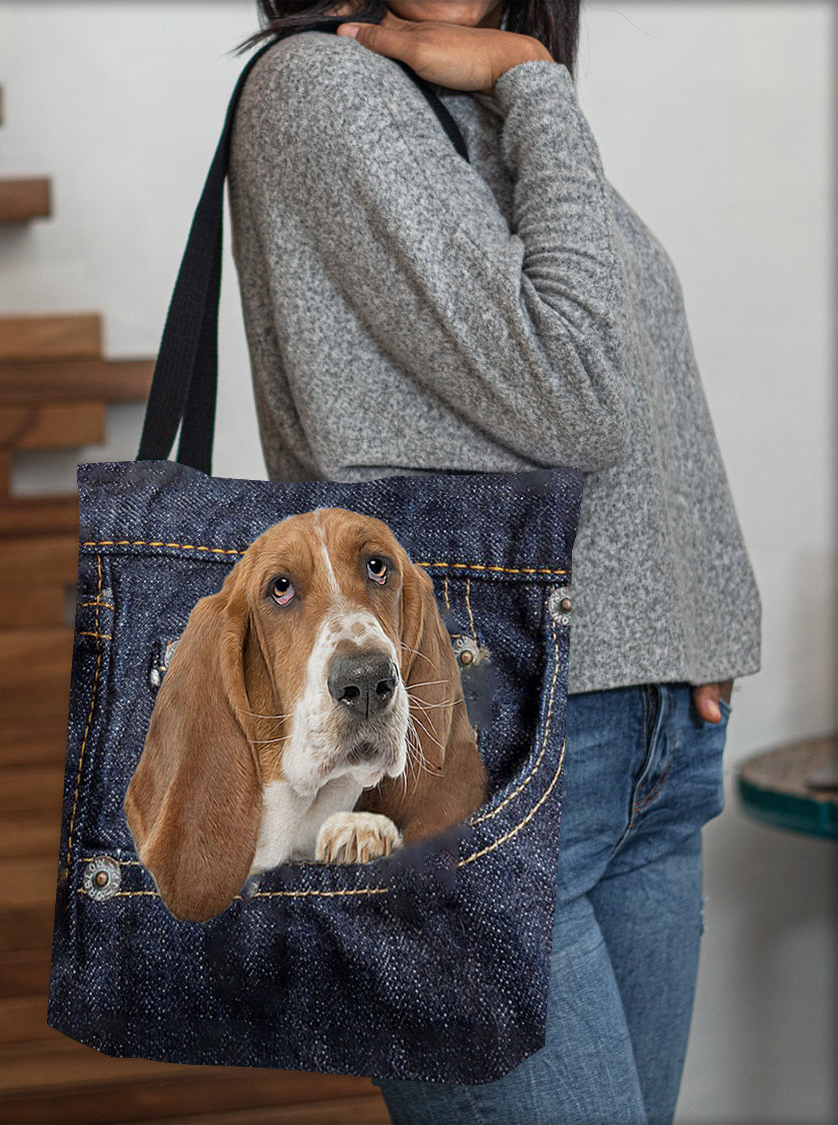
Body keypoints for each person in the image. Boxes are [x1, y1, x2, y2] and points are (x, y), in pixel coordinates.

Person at [226, 2, 762, 1122]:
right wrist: (536, 78)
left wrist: (690, 630)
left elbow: (640, 367)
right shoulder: (326, 90)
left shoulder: (471, 98)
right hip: (485, 758)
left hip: (644, 750)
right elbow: (579, 392)